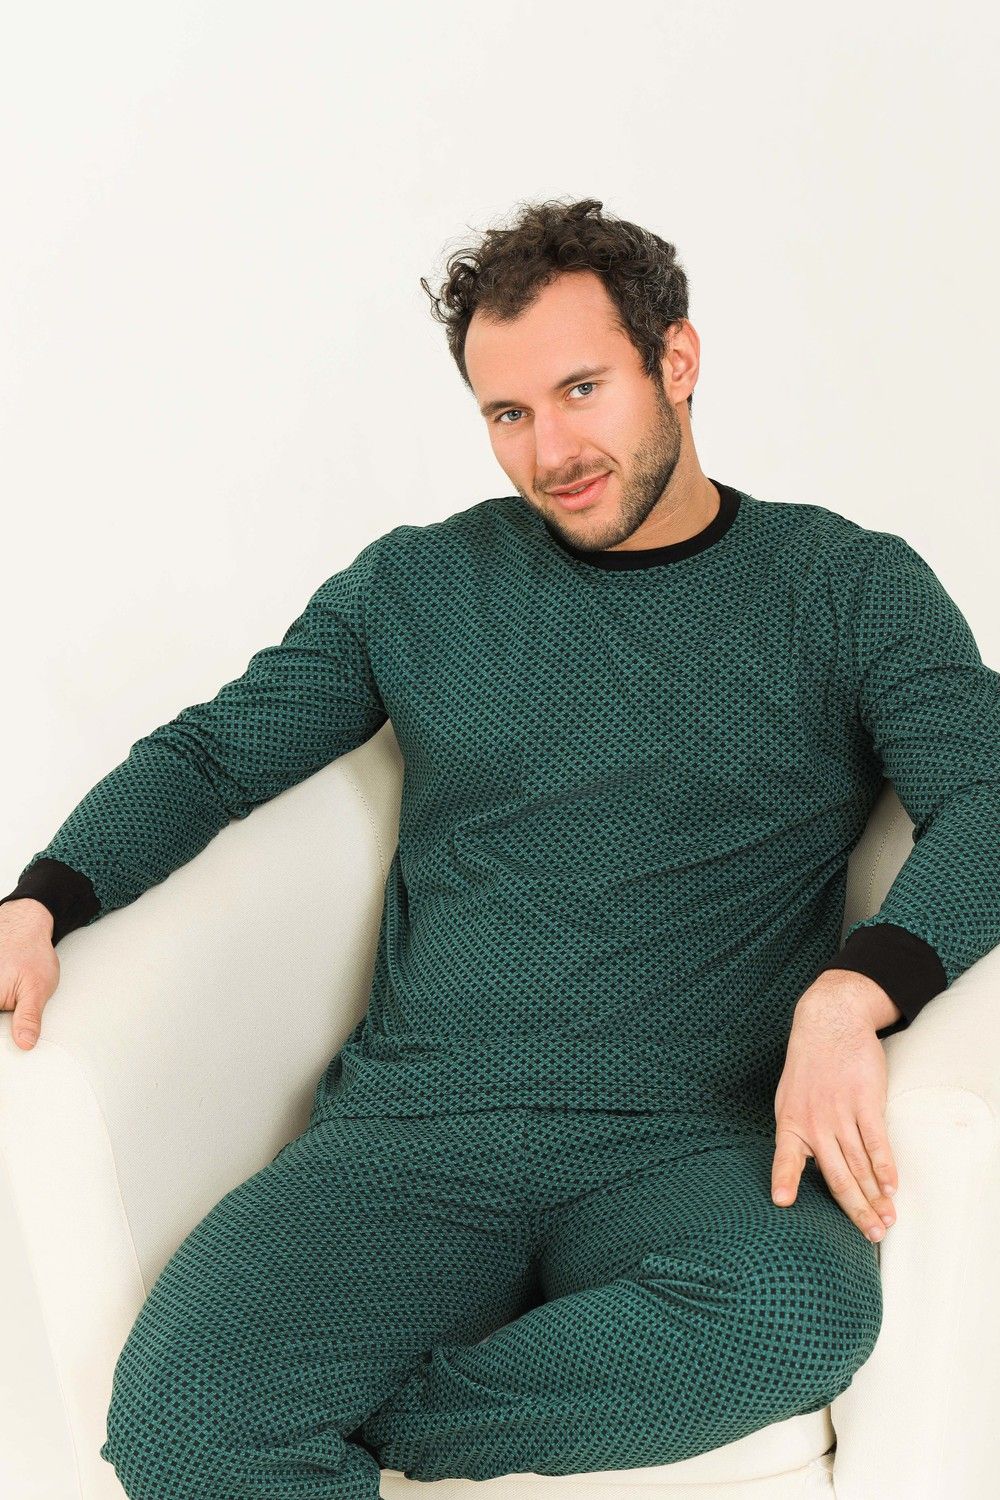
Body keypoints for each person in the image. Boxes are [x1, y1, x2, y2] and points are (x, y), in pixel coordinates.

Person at [3, 196, 999, 1497]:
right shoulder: (419, 586)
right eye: (508, 413)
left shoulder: (845, 585)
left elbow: (987, 794)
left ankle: (365, 1439)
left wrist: (853, 994)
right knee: (184, 1418)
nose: (551, 450)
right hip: (418, 1130)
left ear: (677, 361)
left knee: (791, 1316)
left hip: (695, 1136)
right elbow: (217, 754)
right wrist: (44, 897)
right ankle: (298, 1434)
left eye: (582, 390)